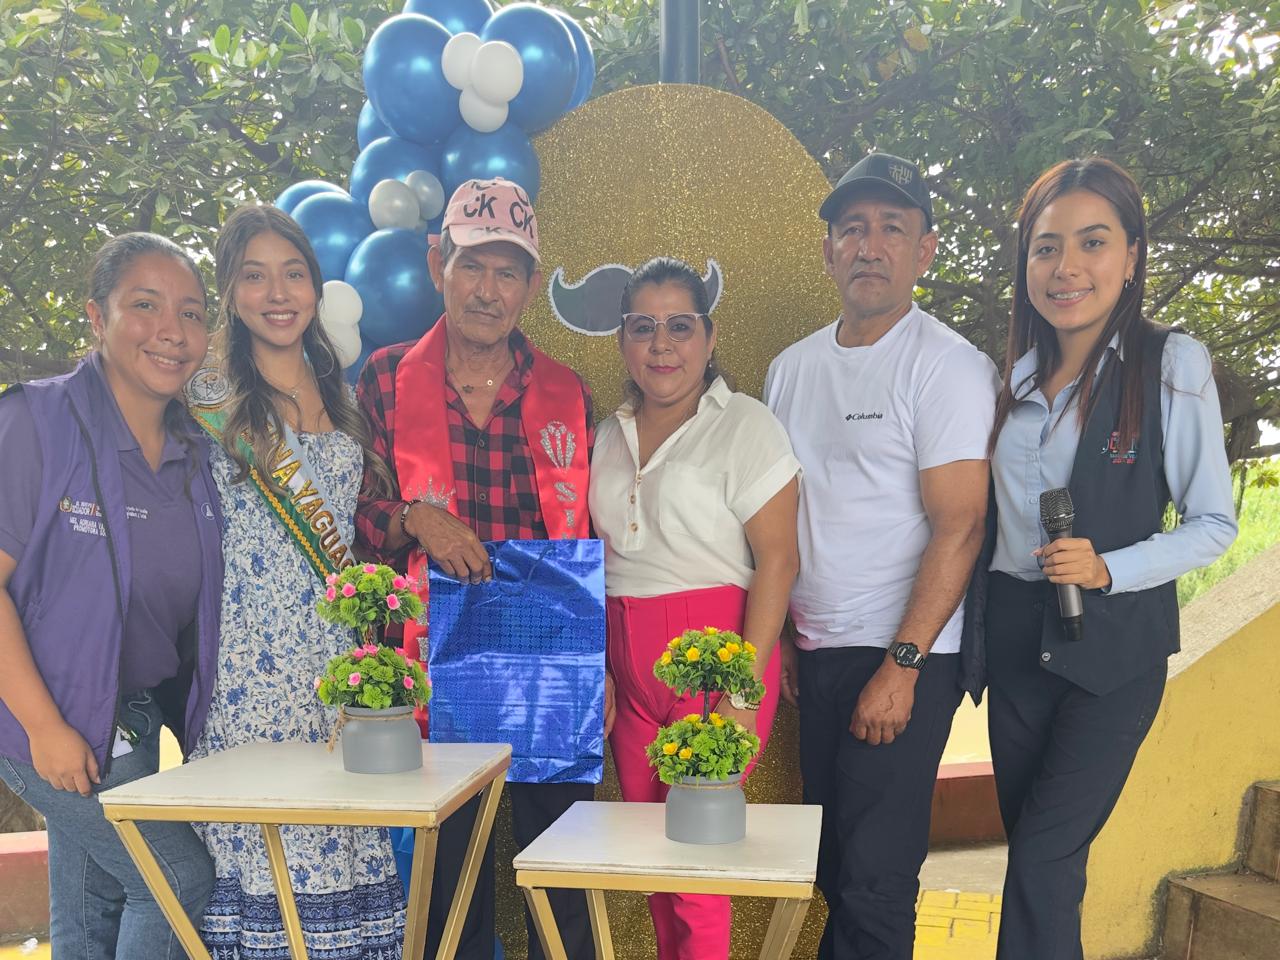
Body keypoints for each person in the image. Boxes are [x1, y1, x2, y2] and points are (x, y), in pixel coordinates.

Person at [978, 157, 1236, 959]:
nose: (1067, 267)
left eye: (1093, 242)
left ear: (1131, 257)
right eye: (1046, 247)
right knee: (1042, 861)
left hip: (1113, 654)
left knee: (1041, 859)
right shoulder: (1012, 379)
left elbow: (1214, 524)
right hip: (1016, 645)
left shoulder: (1170, 364)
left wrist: (1108, 568)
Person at [764, 153, 1000, 959]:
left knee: (876, 879)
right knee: (834, 867)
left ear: (924, 251)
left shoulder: (947, 366)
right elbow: (784, 517)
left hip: (903, 657)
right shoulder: (790, 370)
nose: (870, 246)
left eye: (892, 229)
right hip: (819, 653)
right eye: (853, 228)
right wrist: (789, 639)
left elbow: (961, 524)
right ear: (828, 249)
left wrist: (902, 666)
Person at [355, 177, 598, 960]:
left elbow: (590, 534)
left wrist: (598, 658)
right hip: (436, 657)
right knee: (447, 892)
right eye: (471, 267)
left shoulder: (568, 392)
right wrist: (413, 517)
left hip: (548, 663)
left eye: (507, 273)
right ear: (439, 266)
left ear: (530, 284)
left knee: (562, 881)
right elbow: (358, 516)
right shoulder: (386, 379)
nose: (488, 292)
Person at [186, 204, 407, 959]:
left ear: (315, 285)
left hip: (336, 668)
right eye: (254, 276)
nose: (277, 294)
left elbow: (358, 524)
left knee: (341, 831)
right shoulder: (206, 395)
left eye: (293, 274)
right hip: (250, 667)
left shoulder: (340, 390)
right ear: (229, 291)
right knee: (274, 844)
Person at [0, 233, 222, 958]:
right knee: (176, 881)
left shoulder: (196, 450)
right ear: (98, 317)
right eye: (145, 306)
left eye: (191, 313)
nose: (172, 331)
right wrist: (44, 727)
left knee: (92, 905)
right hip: (40, 714)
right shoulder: (37, 422)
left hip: (128, 714)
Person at [589, 257, 801, 960]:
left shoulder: (745, 425)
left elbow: (779, 559)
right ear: (622, 341)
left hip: (714, 671)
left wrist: (742, 689)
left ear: (710, 339)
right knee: (656, 862)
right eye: (643, 327)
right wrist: (603, 668)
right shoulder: (607, 434)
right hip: (629, 677)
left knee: (698, 870)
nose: (661, 344)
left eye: (680, 326)